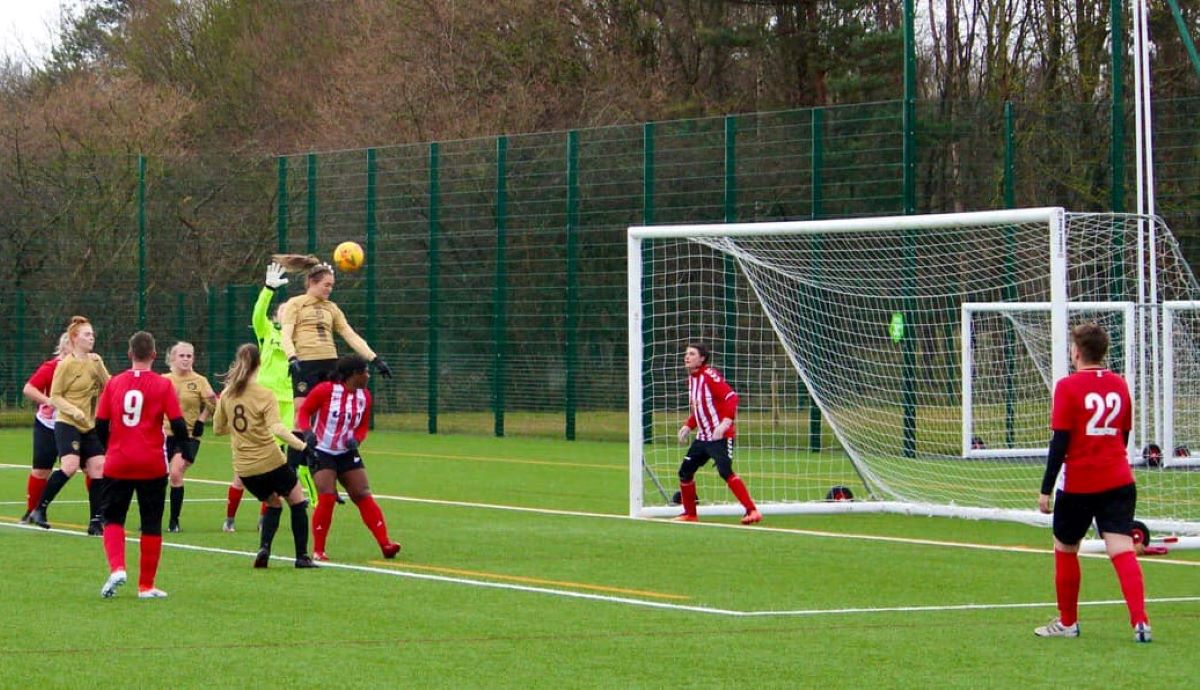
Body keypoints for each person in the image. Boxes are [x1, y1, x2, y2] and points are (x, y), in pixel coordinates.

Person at [1034, 322, 1151, 643]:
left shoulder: (1068, 387)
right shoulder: (1120, 384)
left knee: (1065, 548)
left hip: (1080, 484)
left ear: (1076, 352)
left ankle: (1068, 622)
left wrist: (1045, 489)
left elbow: (1060, 442)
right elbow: (1123, 434)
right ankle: (1140, 622)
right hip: (1118, 479)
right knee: (1122, 549)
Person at [223, 262, 319, 532]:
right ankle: (231, 517)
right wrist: (267, 290)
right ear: (278, 316)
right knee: (257, 459)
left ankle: (278, 511)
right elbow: (257, 316)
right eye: (285, 310)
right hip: (263, 403)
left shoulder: (300, 338)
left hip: (291, 404)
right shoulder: (268, 333)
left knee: (288, 462)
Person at [95, 331, 191, 599]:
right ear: (154, 355)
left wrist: (109, 448)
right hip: (151, 463)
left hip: (118, 462)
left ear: (129, 355)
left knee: (113, 518)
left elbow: (100, 424)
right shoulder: (162, 385)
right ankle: (146, 586)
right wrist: (185, 451)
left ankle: (117, 567)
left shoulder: (114, 383)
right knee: (151, 523)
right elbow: (178, 423)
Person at [213, 343, 317, 569]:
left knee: (273, 503)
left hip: (245, 468)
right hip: (270, 461)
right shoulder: (264, 394)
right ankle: (302, 556)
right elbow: (278, 428)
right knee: (298, 502)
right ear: (259, 364)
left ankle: (264, 549)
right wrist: (303, 447)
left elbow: (218, 429)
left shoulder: (226, 395)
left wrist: (242, 429)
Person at [297, 354, 401, 561]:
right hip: (322, 450)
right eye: (365, 371)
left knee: (362, 493)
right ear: (354, 374)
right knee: (327, 495)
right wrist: (308, 433)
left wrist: (358, 439)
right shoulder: (325, 390)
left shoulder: (365, 396)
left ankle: (385, 544)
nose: (368, 375)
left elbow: (362, 426)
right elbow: (304, 412)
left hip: (346, 452)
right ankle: (318, 550)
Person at [28, 316, 111, 534]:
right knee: (70, 466)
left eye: (92, 334)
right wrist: (73, 410)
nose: (91, 337)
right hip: (67, 423)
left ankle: (95, 522)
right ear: (75, 338)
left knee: (99, 468)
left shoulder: (95, 361)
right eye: (87, 334)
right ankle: (39, 509)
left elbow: (109, 385)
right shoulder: (64, 365)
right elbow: (55, 396)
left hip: (88, 425)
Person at [673, 341, 761, 525]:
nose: (686, 357)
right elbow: (701, 408)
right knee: (685, 472)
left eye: (692, 354)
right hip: (702, 437)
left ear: (702, 358)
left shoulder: (709, 375)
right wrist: (688, 425)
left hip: (719, 436)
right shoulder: (692, 378)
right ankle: (690, 514)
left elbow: (731, 397)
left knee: (724, 471)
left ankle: (752, 510)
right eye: (686, 353)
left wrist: (725, 423)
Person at [163, 341, 218, 532]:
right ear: (173, 358)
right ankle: (152, 517)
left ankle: (174, 521)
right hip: (163, 436)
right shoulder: (164, 379)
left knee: (176, 473)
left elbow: (213, 403)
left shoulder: (200, 381)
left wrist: (202, 420)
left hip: (187, 437)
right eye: (182, 356)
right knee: (157, 477)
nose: (186, 359)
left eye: (189, 356)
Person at [19, 333, 69, 523]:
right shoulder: (52, 367)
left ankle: (98, 516)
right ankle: (32, 511)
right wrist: (49, 401)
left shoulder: (89, 366)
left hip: (75, 425)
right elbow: (29, 388)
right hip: (48, 425)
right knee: (41, 470)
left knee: (93, 468)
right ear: (65, 347)